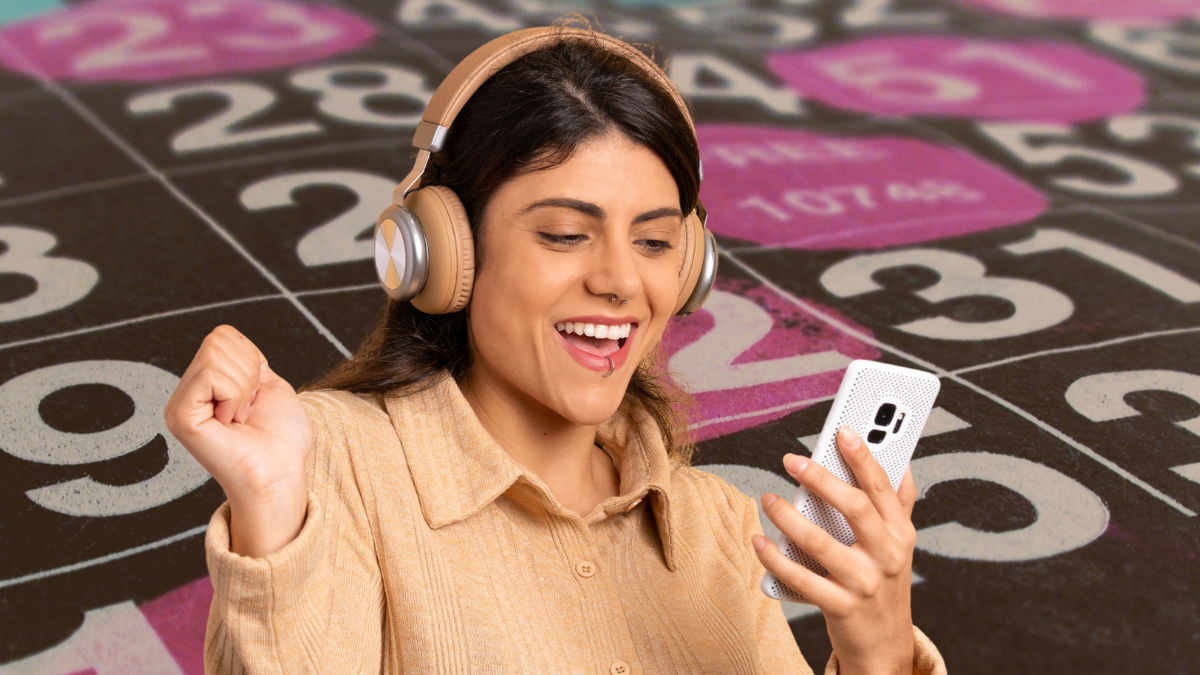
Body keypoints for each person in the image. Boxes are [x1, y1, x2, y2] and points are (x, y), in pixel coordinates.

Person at [163, 26, 946, 675]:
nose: (619, 281)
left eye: (653, 241)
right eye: (565, 234)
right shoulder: (333, 459)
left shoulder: (719, 531)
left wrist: (875, 650)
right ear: (445, 253)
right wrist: (270, 508)